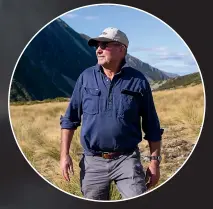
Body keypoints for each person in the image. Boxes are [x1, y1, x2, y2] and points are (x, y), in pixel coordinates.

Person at [60, 27, 163, 200]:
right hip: (92, 162)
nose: (98, 49)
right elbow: (70, 119)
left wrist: (154, 163)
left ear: (121, 49)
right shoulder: (86, 78)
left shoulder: (138, 81)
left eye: (104, 45)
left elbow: (152, 125)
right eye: (97, 45)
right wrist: (64, 155)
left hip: (127, 159)